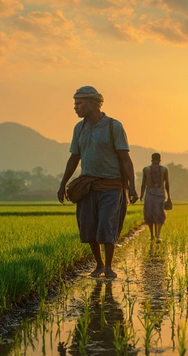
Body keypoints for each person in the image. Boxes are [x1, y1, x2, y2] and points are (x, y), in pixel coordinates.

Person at [57, 86, 138, 278]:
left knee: (106, 226)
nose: (75, 107)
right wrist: (62, 184)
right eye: (74, 103)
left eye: (79, 103)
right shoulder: (79, 128)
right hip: (87, 186)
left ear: (93, 104)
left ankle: (109, 266)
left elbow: (125, 158)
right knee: (89, 226)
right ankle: (99, 265)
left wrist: (132, 187)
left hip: (111, 186)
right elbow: (74, 158)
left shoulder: (113, 127)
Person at [140, 153, 171, 243]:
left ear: (151, 159)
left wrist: (142, 195)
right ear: (160, 159)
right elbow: (167, 184)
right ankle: (158, 235)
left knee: (149, 214)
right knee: (159, 214)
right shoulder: (164, 169)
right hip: (160, 193)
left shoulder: (146, 169)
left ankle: (152, 235)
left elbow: (143, 184)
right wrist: (169, 197)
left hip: (149, 193)